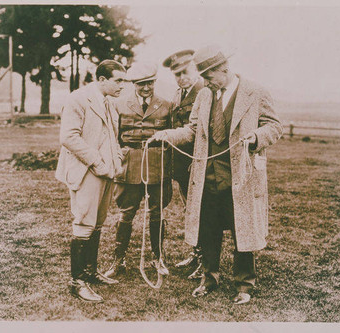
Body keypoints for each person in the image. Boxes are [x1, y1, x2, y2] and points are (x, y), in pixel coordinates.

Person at [150, 45, 283, 305]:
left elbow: (274, 126)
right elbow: (191, 131)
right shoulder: (204, 96)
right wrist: (168, 135)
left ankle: (244, 284)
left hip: (241, 177)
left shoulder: (255, 92)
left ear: (223, 69)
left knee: (241, 229)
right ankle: (209, 278)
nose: (206, 83)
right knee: (208, 229)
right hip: (207, 176)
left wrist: (256, 137)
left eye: (209, 77)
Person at [55, 60, 126, 303]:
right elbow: (68, 137)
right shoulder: (78, 98)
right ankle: (77, 282)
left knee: (97, 222)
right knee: (84, 222)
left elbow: (112, 136)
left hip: (105, 172)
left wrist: (115, 158)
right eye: (118, 80)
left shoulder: (109, 102)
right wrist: (96, 161)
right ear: (102, 79)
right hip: (86, 170)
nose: (122, 85)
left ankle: (90, 273)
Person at [104, 62, 173, 278]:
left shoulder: (167, 105)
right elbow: (113, 137)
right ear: (134, 84)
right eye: (141, 84)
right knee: (126, 213)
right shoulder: (119, 105)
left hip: (157, 164)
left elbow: (172, 136)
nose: (146, 88)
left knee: (157, 213)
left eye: (150, 83)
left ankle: (157, 258)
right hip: (129, 164)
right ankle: (119, 259)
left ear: (155, 82)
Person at [162, 50, 205, 279]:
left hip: (198, 164)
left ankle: (205, 260)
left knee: (202, 211)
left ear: (195, 69)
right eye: (176, 74)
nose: (181, 77)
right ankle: (196, 253)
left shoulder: (204, 92)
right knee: (190, 211)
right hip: (181, 166)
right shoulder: (179, 94)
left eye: (184, 72)